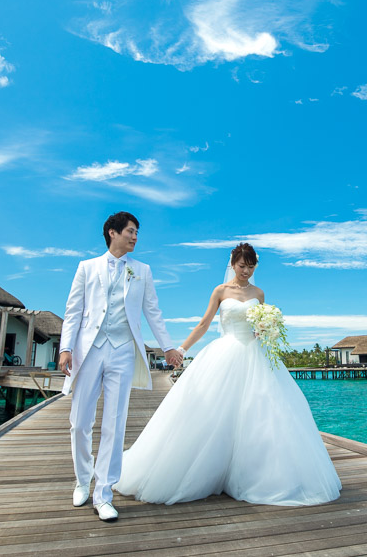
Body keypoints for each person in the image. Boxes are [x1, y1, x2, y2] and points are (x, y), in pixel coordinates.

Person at [115, 243, 341, 506]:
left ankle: (257, 474)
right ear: (232, 264)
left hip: (257, 356)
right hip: (226, 353)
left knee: (263, 415)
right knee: (214, 413)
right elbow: (204, 323)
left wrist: (266, 330)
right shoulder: (220, 291)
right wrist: (181, 349)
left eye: (251, 266)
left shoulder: (259, 293)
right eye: (242, 265)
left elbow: (259, 327)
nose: (246, 271)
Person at [58, 211, 183, 522]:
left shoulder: (142, 270)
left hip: (123, 351)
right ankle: (81, 479)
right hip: (90, 350)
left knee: (115, 424)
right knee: (79, 422)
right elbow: (73, 312)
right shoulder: (86, 268)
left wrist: (167, 346)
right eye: (130, 231)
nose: (135, 236)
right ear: (112, 233)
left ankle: (104, 493)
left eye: (137, 232)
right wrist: (66, 348)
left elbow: (152, 311)